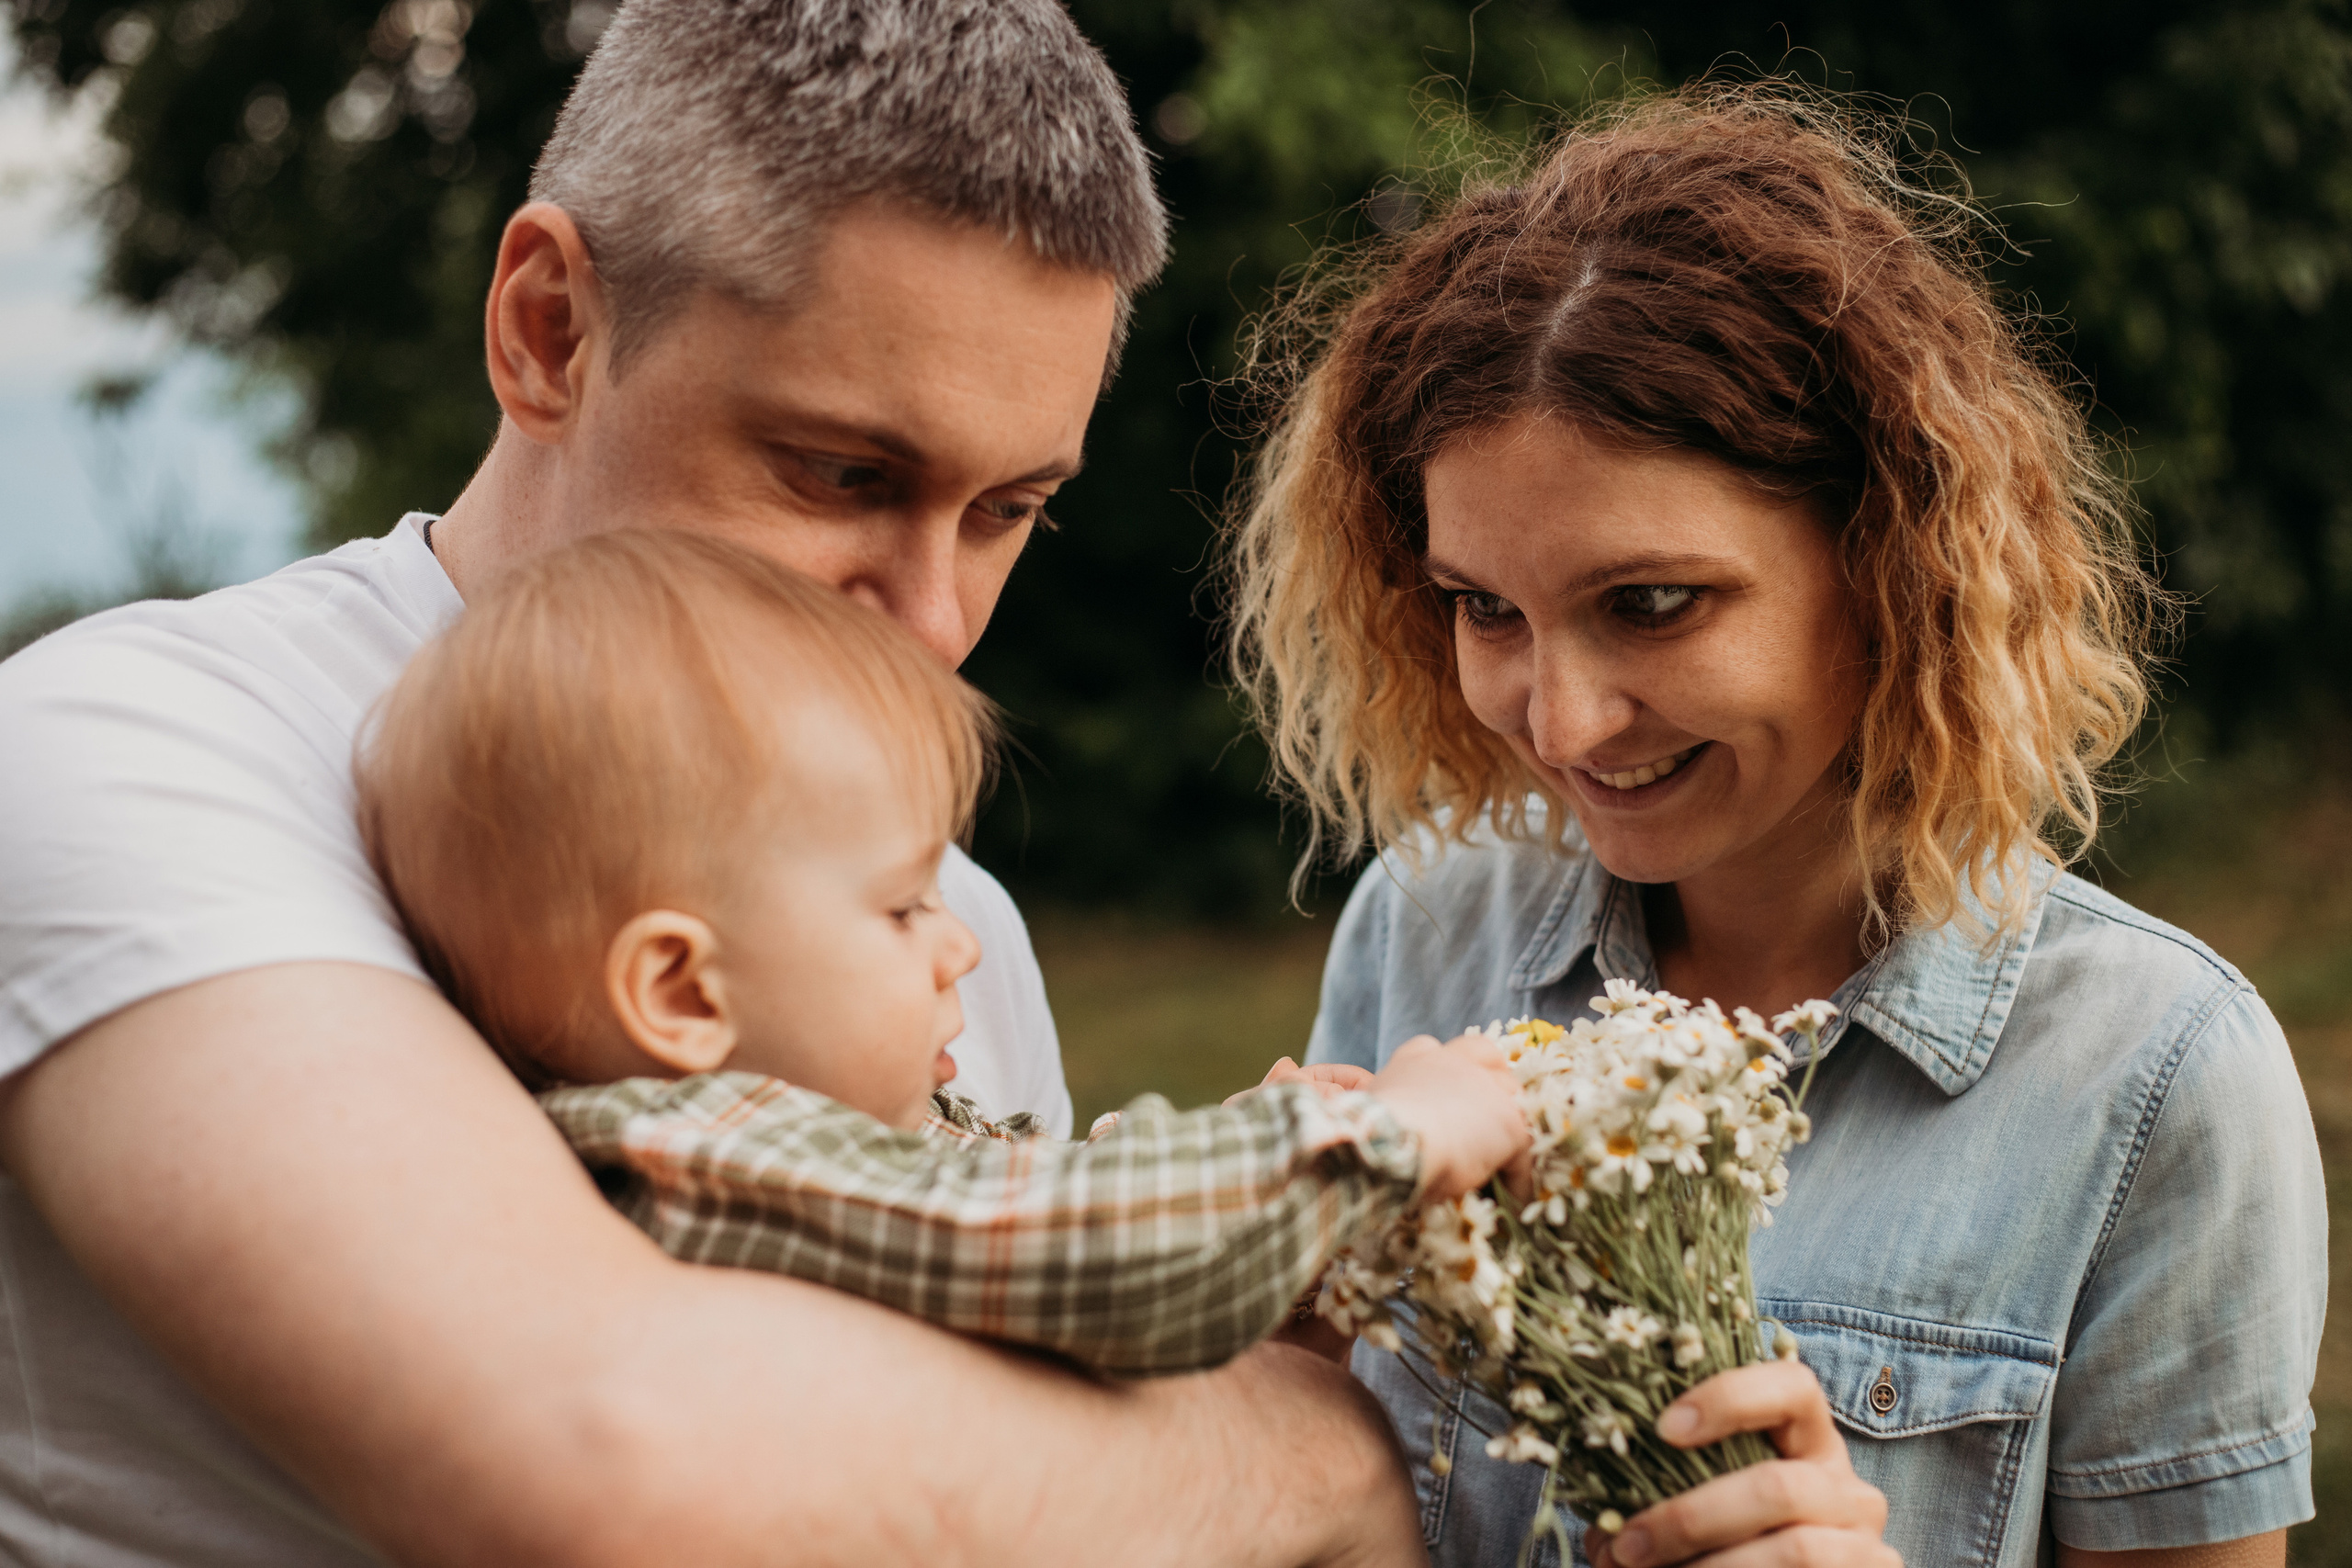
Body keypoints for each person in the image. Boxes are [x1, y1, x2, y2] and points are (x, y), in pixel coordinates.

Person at [0, 2, 1432, 1562]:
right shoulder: (136, 749)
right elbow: (611, 1461)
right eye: (844, 474)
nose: (938, 620)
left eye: (1009, 508)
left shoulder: (945, 921)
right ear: (551, 327)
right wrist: (1327, 1460)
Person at [1227, 85, 2325, 1568]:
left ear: (1893, 558)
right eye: (1487, 608)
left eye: (1653, 604)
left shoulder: (2155, 1072)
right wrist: (1260, 1349)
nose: (1559, 724)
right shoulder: (1428, 925)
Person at [356, 527, 1531, 1376]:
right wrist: (1385, 1139)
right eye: (904, 906)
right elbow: (1095, 1254)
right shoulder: (707, 1157)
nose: (960, 943)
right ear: (678, 991)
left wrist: (1203, 1178)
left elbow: (1027, 1227)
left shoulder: (795, 1149)